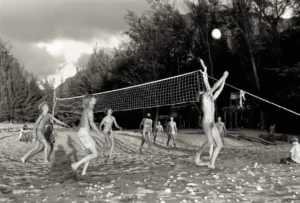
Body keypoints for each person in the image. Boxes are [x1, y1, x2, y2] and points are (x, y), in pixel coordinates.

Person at [194, 59, 229, 169]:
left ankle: (211, 164)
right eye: (200, 91)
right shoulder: (204, 97)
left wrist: (224, 79)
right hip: (206, 122)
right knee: (210, 142)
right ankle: (198, 154)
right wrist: (223, 76)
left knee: (219, 145)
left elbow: (219, 89)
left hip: (212, 122)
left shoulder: (211, 98)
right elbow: (213, 87)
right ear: (200, 95)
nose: (202, 90)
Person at [71, 94, 103, 176]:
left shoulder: (86, 110)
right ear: (89, 100)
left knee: (91, 153)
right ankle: (76, 165)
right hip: (84, 133)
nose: (95, 99)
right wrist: (99, 133)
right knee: (95, 154)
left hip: (84, 132)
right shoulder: (89, 110)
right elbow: (91, 123)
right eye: (93, 98)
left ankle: (84, 171)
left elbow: (84, 124)